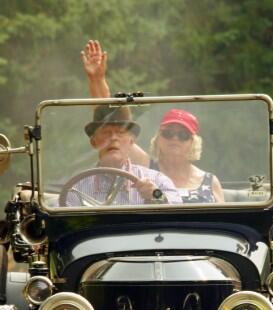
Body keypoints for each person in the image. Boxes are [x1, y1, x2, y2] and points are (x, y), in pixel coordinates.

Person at [80, 39, 224, 203]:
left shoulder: (209, 181)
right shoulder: (146, 168)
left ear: (193, 142)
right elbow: (109, 122)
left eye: (183, 135)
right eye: (168, 133)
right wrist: (97, 79)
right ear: (158, 138)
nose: (174, 139)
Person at [65, 105, 181, 206]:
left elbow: (178, 214)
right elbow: (66, 224)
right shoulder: (76, 187)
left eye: (120, 132)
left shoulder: (158, 180)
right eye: (106, 132)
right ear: (94, 142)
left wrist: (156, 195)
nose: (113, 138)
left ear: (131, 141)